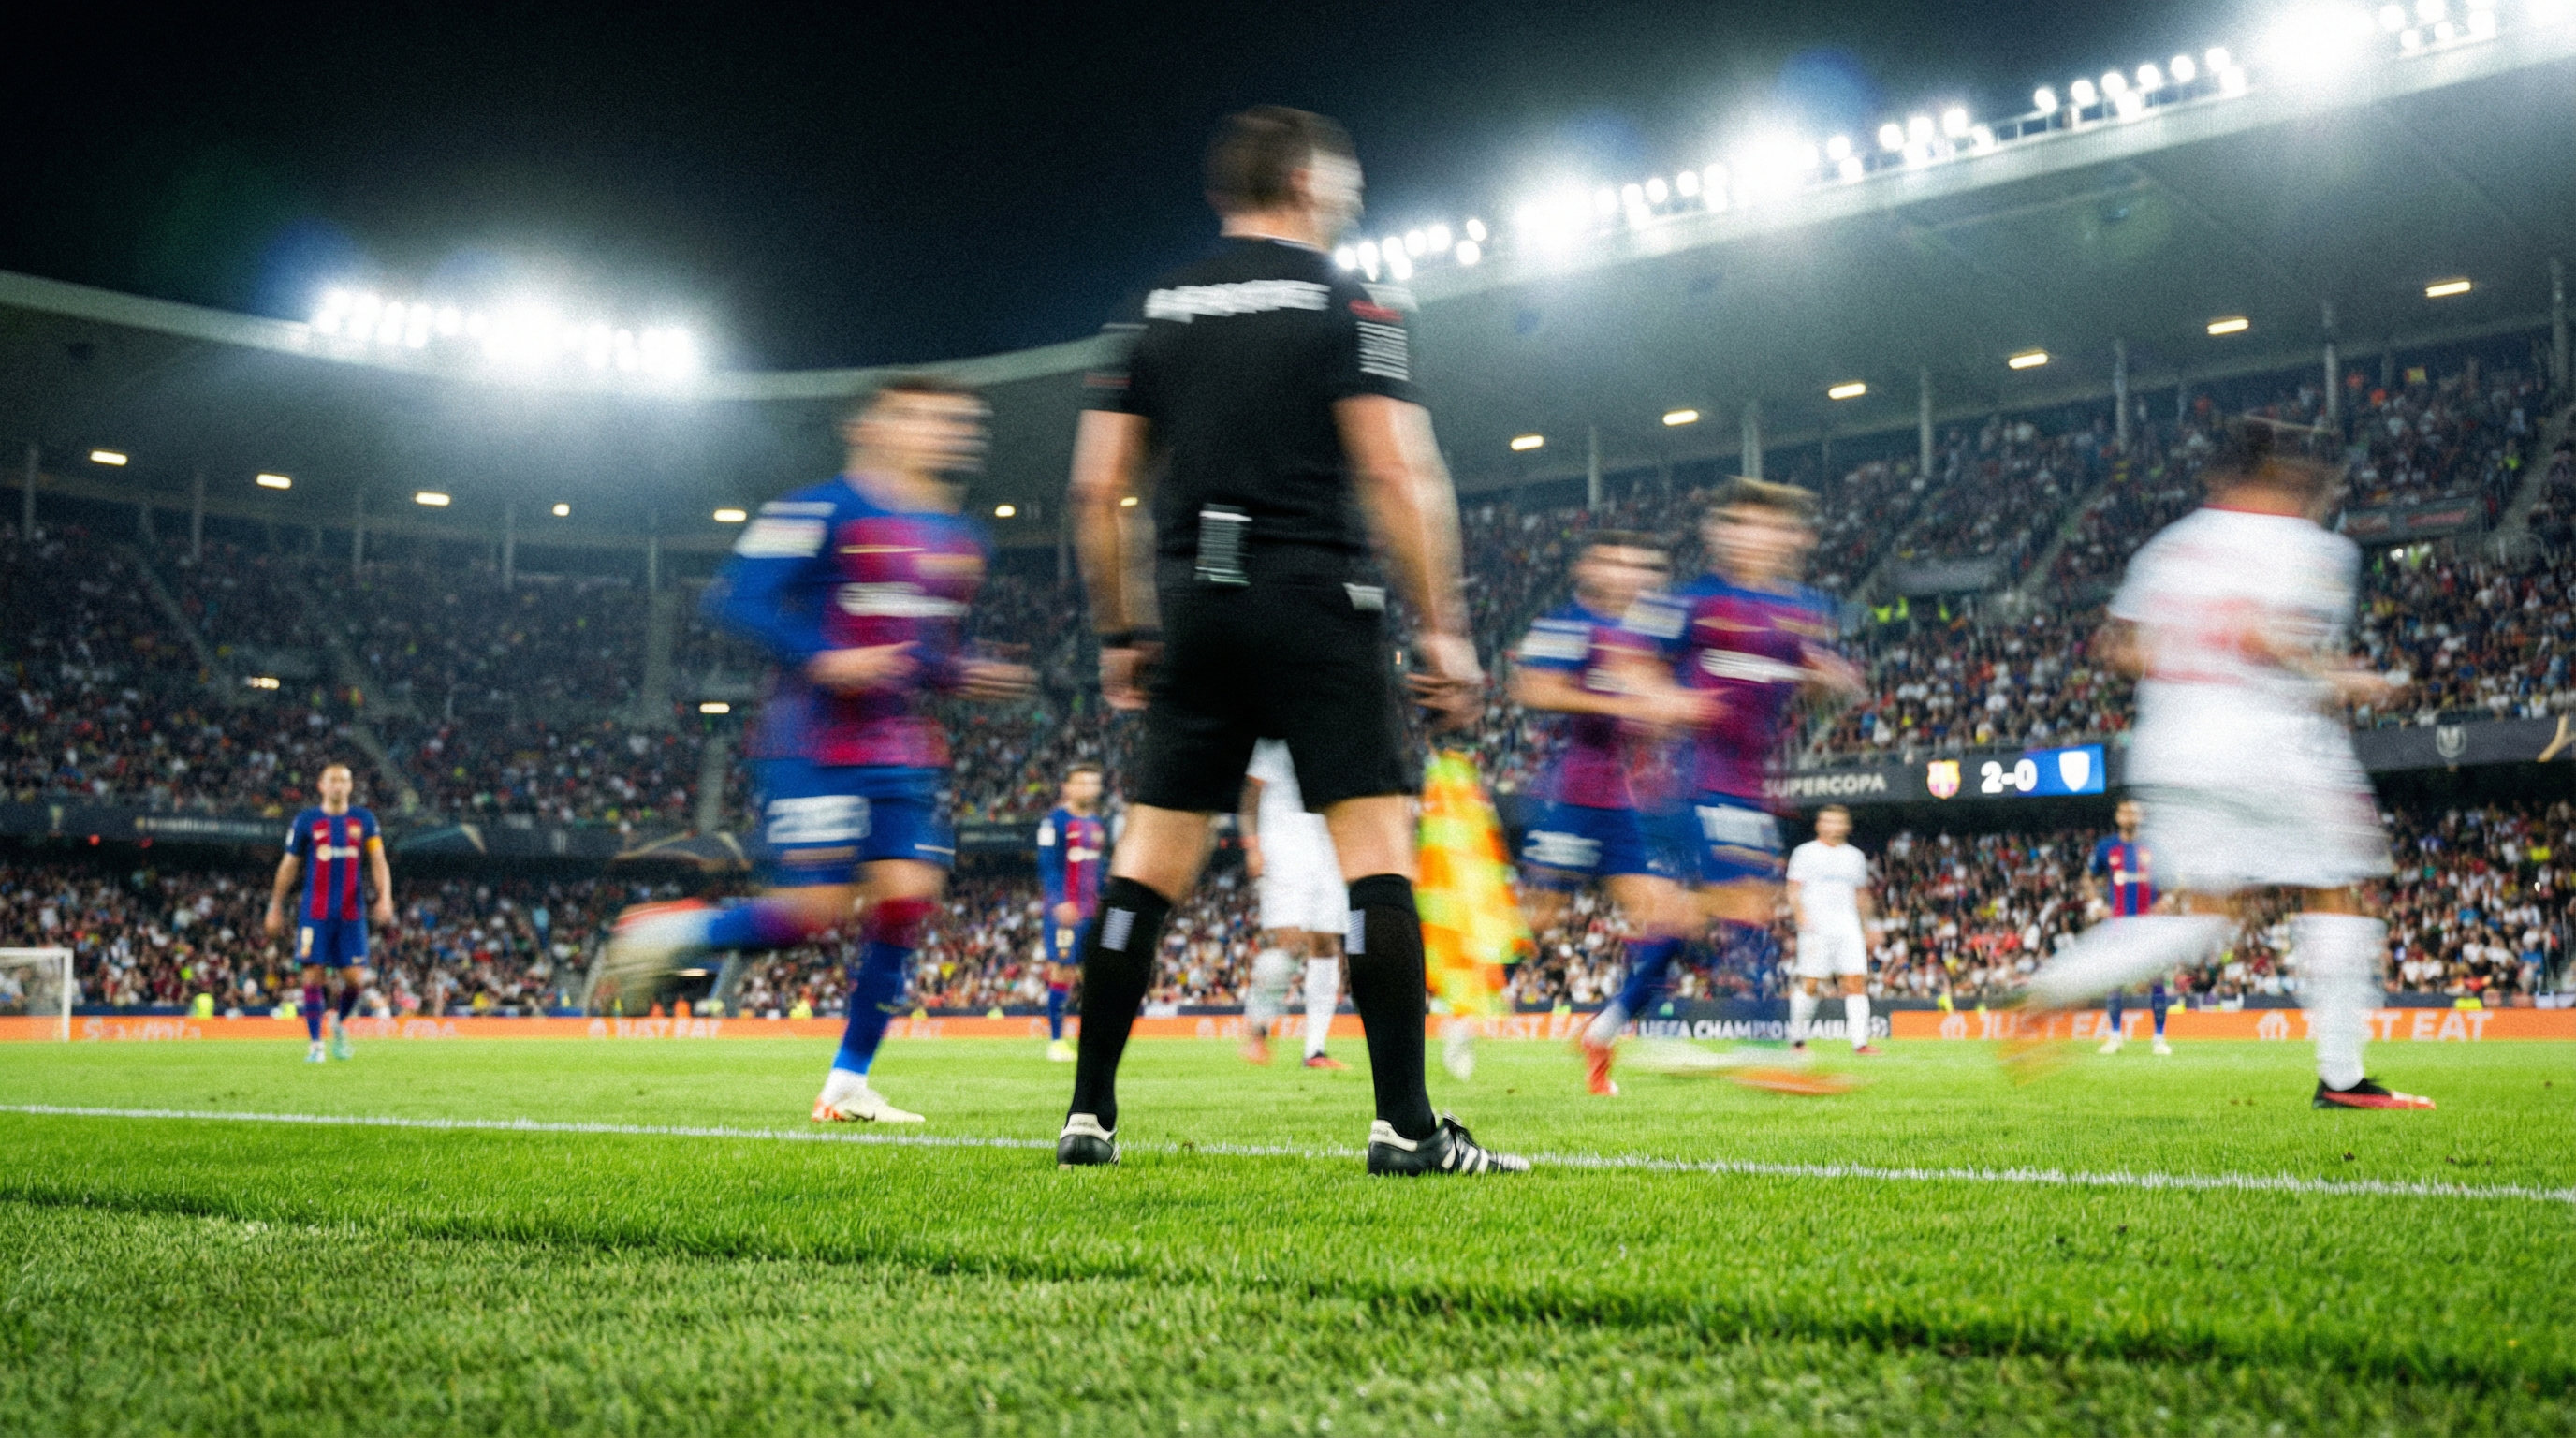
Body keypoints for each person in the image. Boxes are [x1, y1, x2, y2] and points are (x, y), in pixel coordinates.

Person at [1058, 105, 1523, 1175]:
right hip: (1313, 596)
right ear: (1307, 181)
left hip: (1195, 606)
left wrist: (1123, 629)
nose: (1352, 195)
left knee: (1147, 867)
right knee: (1374, 860)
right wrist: (1443, 629)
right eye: (1345, 178)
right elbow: (1398, 471)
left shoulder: (1153, 306)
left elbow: (1095, 488)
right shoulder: (1346, 299)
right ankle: (1405, 1126)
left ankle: (1089, 1114)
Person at [601, 376, 1032, 1123]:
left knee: (906, 900)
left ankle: (847, 1083)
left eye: (963, 420)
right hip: (815, 739)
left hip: (902, 744)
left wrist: (966, 673)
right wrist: (824, 655)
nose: (952, 431)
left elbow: (926, 657)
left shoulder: (963, 542)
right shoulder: (819, 509)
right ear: (874, 427)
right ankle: (666, 934)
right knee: (812, 914)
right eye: (929, 417)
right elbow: (734, 597)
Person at [2014, 418, 2431, 1109]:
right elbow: (2257, 632)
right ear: (2281, 477)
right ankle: (2344, 1077)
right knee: (2338, 884)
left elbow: (2118, 649)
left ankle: (2053, 987)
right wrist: (2346, 679)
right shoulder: (2309, 548)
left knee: (2209, 913)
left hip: (2173, 748)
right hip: (2263, 740)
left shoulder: (2168, 548)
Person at [1623, 480, 1862, 1034]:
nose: (1752, 537)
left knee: (1692, 916)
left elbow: (1801, 675)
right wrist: (1667, 698)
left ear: (1794, 538)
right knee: (1748, 903)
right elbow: (1632, 660)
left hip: (1753, 781)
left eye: (1769, 526)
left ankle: (1608, 1025)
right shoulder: (1694, 600)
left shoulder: (1801, 609)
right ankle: (1764, 1047)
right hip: (1696, 775)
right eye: (1740, 524)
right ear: (1719, 533)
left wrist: (1828, 680)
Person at [1503, 531, 1700, 1097]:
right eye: (1618, 561)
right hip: (1571, 798)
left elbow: (1657, 703)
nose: (1630, 572)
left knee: (1675, 922)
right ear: (1591, 567)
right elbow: (1534, 688)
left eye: (1639, 562)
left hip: (1621, 807)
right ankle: (1465, 1010)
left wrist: (1674, 708)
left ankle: (1603, 1032)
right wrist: (1615, 699)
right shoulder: (1569, 622)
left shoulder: (1643, 636)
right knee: (1538, 921)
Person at [264, 762, 393, 1063]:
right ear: (321, 785)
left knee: (356, 980)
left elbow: (378, 861)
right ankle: (315, 1045)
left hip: (351, 913)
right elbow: (289, 865)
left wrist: (385, 897)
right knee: (313, 974)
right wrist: (275, 905)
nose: (338, 785)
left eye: (344, 780)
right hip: (315, 912)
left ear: (350, 786)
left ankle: (338, 1022)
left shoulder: (364, 820)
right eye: (333, 780)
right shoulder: (306, 821)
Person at [1240, 739, 1350, 1069]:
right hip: (1284, 839)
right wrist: (1252, 846)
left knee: (1327, 941)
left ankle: (1314, 1050)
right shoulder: (1274, 738)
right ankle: (1257, 1031)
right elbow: (1250, 796)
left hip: (1328, 839)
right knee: (1289, 940)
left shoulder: (1339, 728)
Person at [1783, 804, 1881, 1056]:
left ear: (1846, 827)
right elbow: (1793, 889)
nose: (1833, 826)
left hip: (1848, 926)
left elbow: (1861, 895)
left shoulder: (1855, 856)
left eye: (1839, 822)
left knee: (1856, 981)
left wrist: (1869, 925)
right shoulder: (1804, 853)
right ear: (1819, 825)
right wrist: (1801, 916)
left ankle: (1860, 1043)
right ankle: (1797, 1040)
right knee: (1812, 982)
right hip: (1816, 926)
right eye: (1828, 821)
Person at [2087, 797, 2171, 1057]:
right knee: (2115, 980)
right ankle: (2115, 1037)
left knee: (2157, 981)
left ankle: (2159, 1039)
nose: (2129, 817)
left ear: (2140, 817)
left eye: (2133, 813)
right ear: (2118, 817)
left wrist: (2167, 900)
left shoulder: (2154, 848)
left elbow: (2175, 880)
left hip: (2149, 925)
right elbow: (2089, 878)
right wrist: (2097, 904)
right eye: (2124, 812)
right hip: (2119, 925)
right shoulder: (2106, 847)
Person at [1036, 763, 1109, 1062]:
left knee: (1097, 976)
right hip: (1065, 913)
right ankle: (1056, 1041)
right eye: (1081, 782)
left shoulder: (1098, 824)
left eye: (1094, 783)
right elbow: (1047, 865)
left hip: (1094, 913)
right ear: (1067, 787)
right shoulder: (1053, 822)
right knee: (1063, 969)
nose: (1088, 788)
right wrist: (1059, 901)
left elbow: (1100, 869)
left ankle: (1090, 1041)